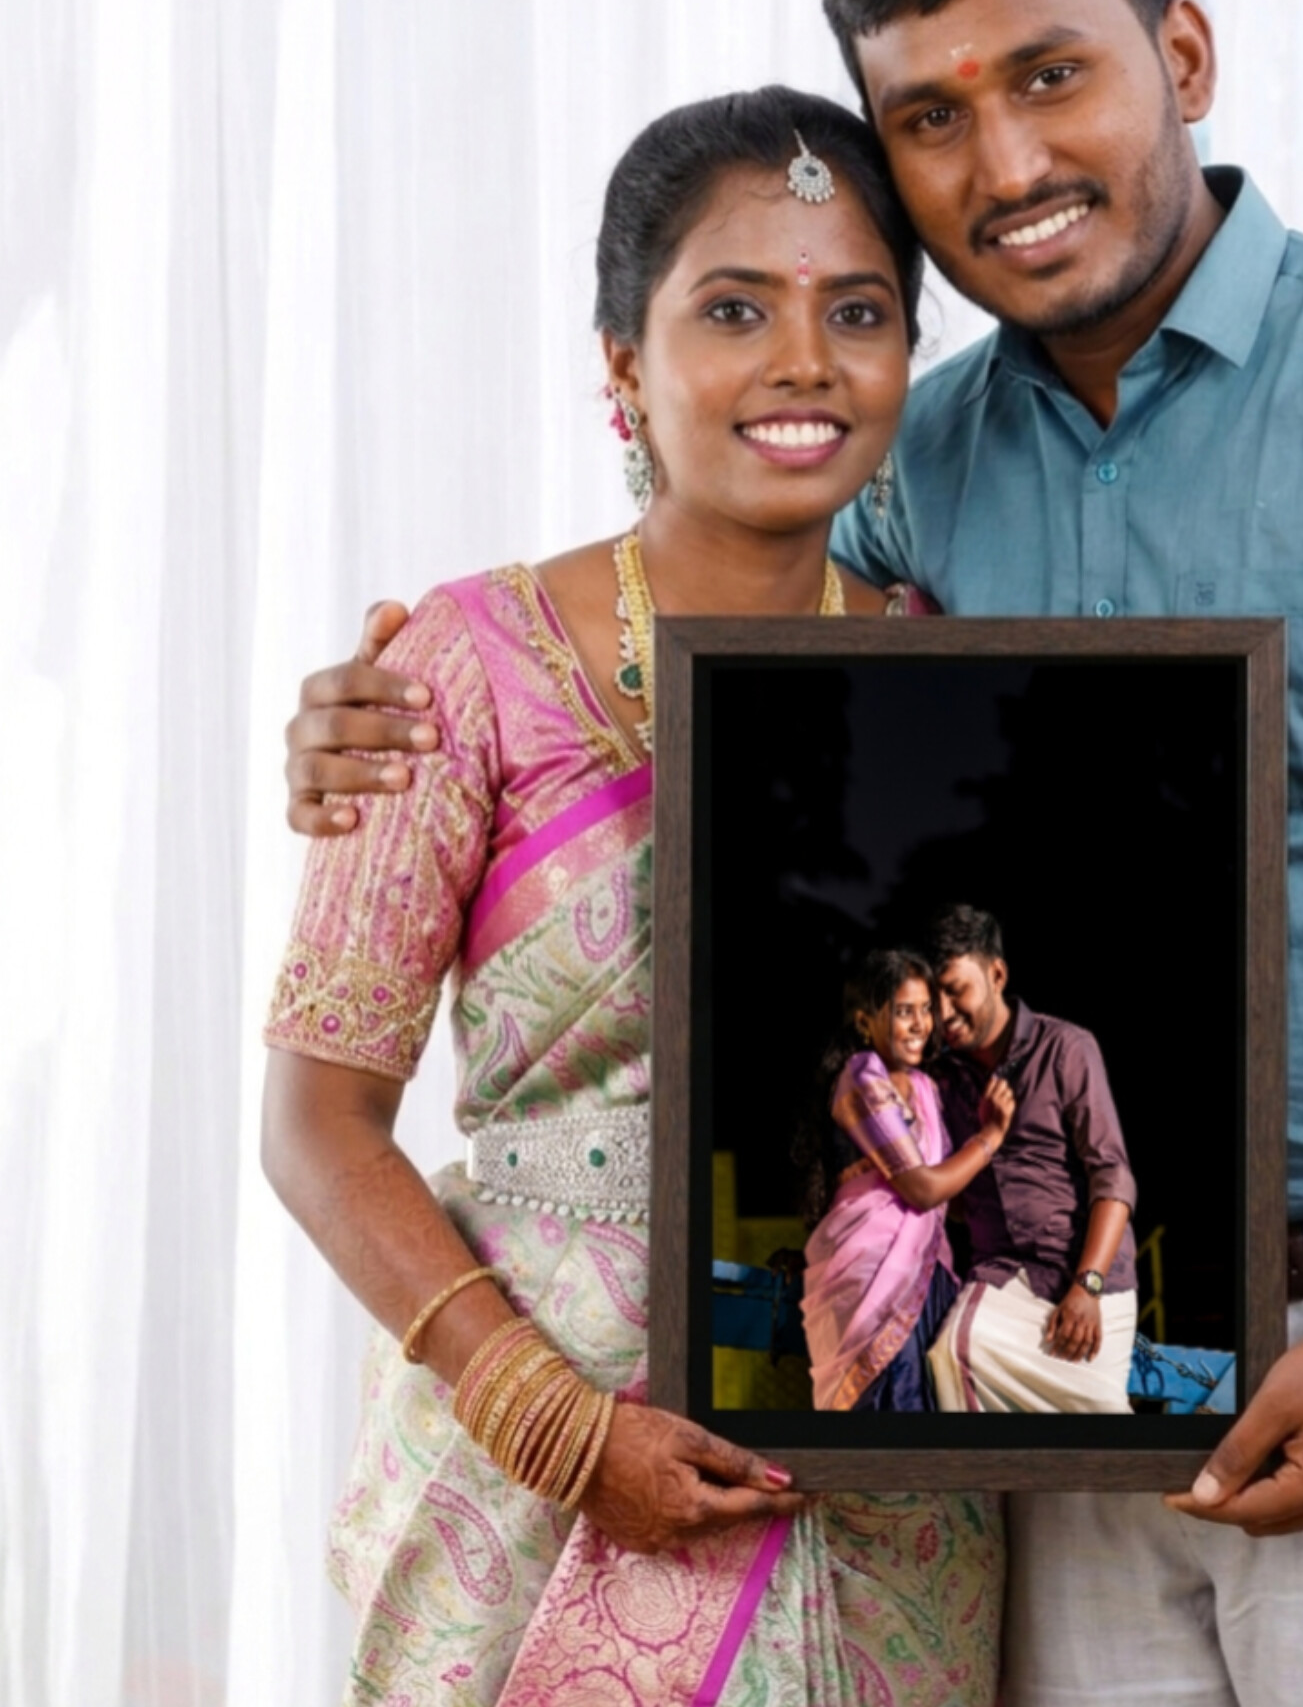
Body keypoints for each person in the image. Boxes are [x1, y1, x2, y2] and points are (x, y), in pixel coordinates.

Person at [280, 0, 1303, 1707]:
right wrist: (371, 717)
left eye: (1050, 77)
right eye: (931, 118)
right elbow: (724, 669)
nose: (1006, 167)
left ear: (1181, 55)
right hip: (1030, 1382)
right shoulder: (918, 465)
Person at [260, 86, 1002, 1707]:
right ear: (622, 364)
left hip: (880, 1484)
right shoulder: (457, 668)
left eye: (857, 312)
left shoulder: (948, 674)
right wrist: (557, 1428)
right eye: (735, 310)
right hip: (528, 1477)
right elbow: (317, 1125)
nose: (804, 360)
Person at [917, 906, 1140, 1416]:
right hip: (1002, 1281)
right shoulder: (941, 1083)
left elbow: (1113, 1176)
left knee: (1103, 1418)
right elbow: (935, 1196)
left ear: (997, 974)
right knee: (955, 1352)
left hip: (1093, 1279)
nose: (943, 1013)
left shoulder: (1066, 1049)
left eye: (955, 990)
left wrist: (1087, 1288)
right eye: (933, 1000)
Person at [798, 948, 1018, 1411]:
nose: (921, 1024)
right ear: (865, 1022)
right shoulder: (862, 1076)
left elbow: (948, 1198)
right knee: (891, 1416)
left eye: (925, 1010)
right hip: (872, 1281)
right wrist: (990, 1137)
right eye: (903, 1012)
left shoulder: (924, 1088)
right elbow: (922, 1189)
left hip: (927, 1271)